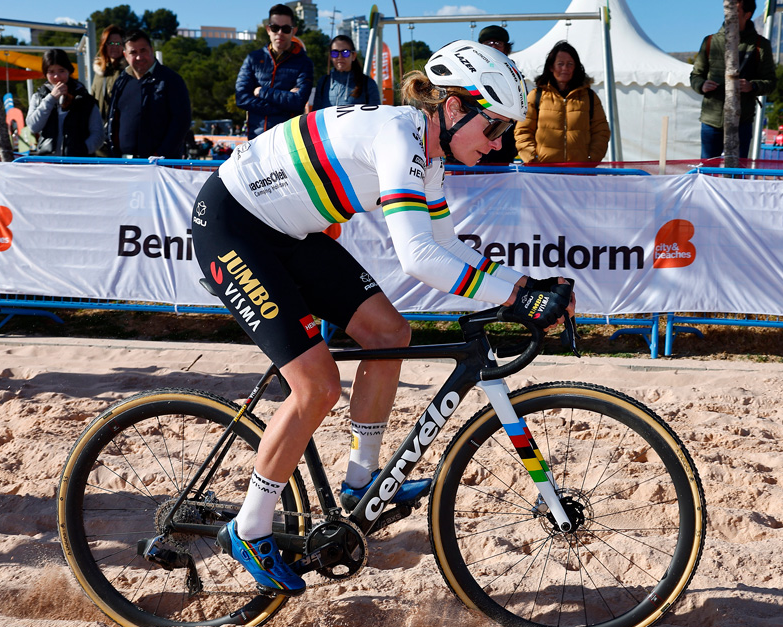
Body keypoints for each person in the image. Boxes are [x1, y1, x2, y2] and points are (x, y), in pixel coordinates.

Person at [191, 40, 573, 595]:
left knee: (390, 333)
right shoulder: (400, 138)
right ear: (452, 107)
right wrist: (516, 297)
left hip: (288, 234)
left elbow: (447, 248)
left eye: (504, 135)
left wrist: (524, 286)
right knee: (317, 387)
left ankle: (361, 482)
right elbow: (418, 258)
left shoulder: (432, 157)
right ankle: (249, 526)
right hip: (234, 227)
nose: (496, 145)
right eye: (492, 130)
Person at [689, 0, 776, 160]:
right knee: (708, 170)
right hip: (711, 121)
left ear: (747, 15)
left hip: (742, 121)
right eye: (727, 11)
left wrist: (753, 86)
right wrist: (702, 85)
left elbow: (771, 82)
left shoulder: (760, 45)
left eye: (734, 12)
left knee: (737, 173)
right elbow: (695, 76)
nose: (728, 16)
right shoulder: (710, 41)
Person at [513, 41, 610, 164]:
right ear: (551, 67)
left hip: (579, 172)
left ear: (576, 67)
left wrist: (591, 158)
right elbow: (522, 130)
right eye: (560, 64)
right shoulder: (536, 95)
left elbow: (601, 131)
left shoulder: (589, 97)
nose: (565, 68)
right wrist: (532, 158)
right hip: (543, 172)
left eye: (570, 64)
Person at [106, 29, 192, 159]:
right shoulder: (120, 82)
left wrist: (161, 155)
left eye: (143, 50)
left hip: (160, 166)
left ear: (151, 50)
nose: (139, 57)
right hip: (124, 163)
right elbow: (113, 120)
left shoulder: (171, 80)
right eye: (133, 52)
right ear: (125, 55)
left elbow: (181, 121)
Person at [236, 4, 314, 139]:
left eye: (285, 29)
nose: (280, 33)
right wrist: (283, 106)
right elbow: (241, 98)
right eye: (275, 28)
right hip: (256, 139)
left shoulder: (304, 63)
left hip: (288, 140)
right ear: (268, 29)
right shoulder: (253, 58)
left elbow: (298, 101)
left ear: (293, 31)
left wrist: (261, 92)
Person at [26, 49, 104, 157]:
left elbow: (98, 134)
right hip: (49, 162)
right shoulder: (38, 97)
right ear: (45, 73)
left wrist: (82, 151)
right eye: (51, 72)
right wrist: (51, 98)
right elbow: (33, 127)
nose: (56, 77)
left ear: (69, 70)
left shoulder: (85, 99)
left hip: (78, 164)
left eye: (61, 70)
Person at [476, 25, 518, 164]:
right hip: (468, 153)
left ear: (506, 49)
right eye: (488, 43)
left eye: (498, 43)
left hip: (501, 155)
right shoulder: (466, 75)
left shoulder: (516, 79)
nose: (493, 47)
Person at [310, 34, 379, 110]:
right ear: (330, 56)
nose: (340, 57)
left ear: (353, 56)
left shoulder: (367, 83)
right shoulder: (323, 83)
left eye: (345, 52)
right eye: (335, 53)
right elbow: (316, 115)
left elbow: (375, 115)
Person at [90, 26, 125, 128]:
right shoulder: (99, 72)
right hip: (99, 130)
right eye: (110, 43)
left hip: (122, 129)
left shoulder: (130, 72)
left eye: (118, 43)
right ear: (104, 45)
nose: (114, 46)